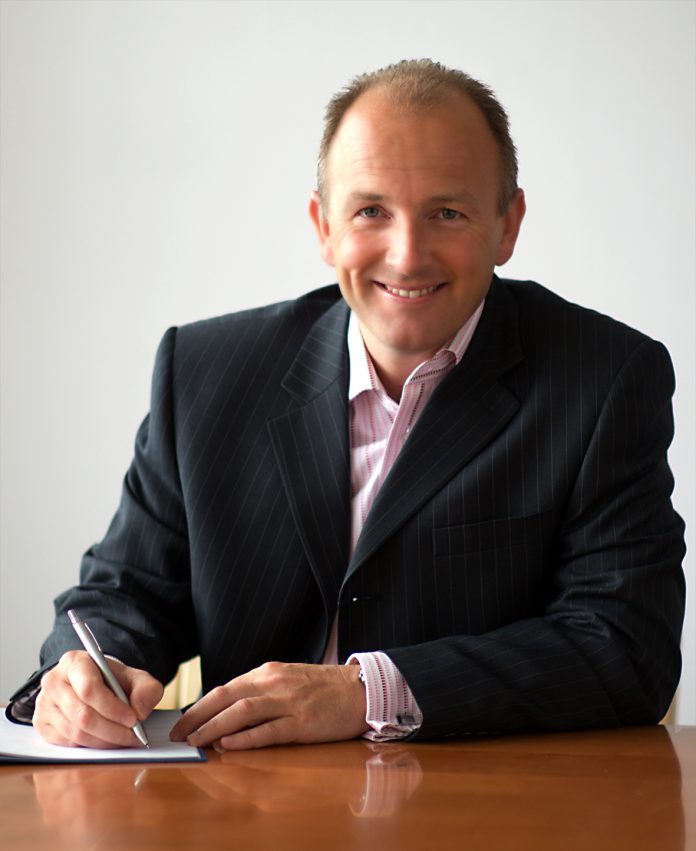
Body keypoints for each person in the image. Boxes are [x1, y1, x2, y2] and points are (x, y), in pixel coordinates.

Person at [8, 59, 686, 751]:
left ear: (507, 224)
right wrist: (84, 675)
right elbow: (125, 593)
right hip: (244, 796)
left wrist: (369, 692)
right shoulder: (204, 372)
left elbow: (627, 646)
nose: (408, 255)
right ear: (324, 226)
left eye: (447, 213)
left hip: (476, 793)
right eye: (371, 212)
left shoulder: (605, 379)